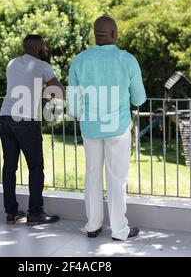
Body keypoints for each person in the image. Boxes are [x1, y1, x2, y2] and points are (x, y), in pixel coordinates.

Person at [68, 16, 147, 241]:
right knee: (117, 178)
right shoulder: (127, 60)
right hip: (118, 128)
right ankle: (119, 230)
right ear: (114, 34)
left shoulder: (79, 60)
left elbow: (73, 106)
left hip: (90, 128)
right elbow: (139, 99)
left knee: (92, 174)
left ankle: (93, 225)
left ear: (96, 34)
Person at [0, 34, 64, 226]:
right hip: (26, 120)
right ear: (36, 47)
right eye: (44, 45)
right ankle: (35, 213)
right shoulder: (42, 66)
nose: (46, 49)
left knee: (9, 167)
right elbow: (58, 90)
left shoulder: (12, 63)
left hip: (5, 117)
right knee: (35, 168)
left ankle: (11, 213)